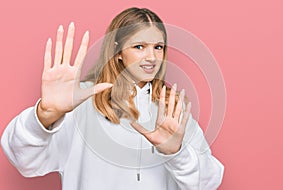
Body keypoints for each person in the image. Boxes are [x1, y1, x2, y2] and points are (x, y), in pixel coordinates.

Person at [1, 7, 224, 190]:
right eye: (139, 47)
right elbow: (24, 160)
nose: (152, 57)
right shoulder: (80, 103)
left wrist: (177, 153)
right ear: (117, 52)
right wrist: (45, 115)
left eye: (158, 47)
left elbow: (208, 182)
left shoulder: (171, 109)